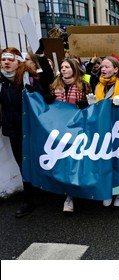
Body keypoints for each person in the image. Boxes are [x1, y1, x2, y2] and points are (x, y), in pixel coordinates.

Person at [0, 47, 50, 218]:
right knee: (22, 164)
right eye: (3, 60)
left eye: (10, 60)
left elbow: (44, 92)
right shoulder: (1, 81)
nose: (6, 63)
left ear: (18, 62)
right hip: (13, 129)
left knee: (34, 160)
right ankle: (29, 197)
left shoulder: (28, 79)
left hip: (30, 128)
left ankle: (35, 193)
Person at [50, 58, 92, 213]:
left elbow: (92, 107)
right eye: (61, 67)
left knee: (76, 162)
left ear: (74, 69)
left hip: (78, 130)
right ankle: (69, 196)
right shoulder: (54, 86)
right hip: (60, 130)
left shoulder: (84, 86)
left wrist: (85, 105)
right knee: (64, 162)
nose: (63, 69)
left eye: (67, 67)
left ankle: (77, 191)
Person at [90, 56, 119, 207]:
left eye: (107, 66)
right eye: (102, 66)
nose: (103, 69)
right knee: (105, 160)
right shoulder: (98, 87)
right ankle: (107, 191)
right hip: (103, 129)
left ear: (115, 69)